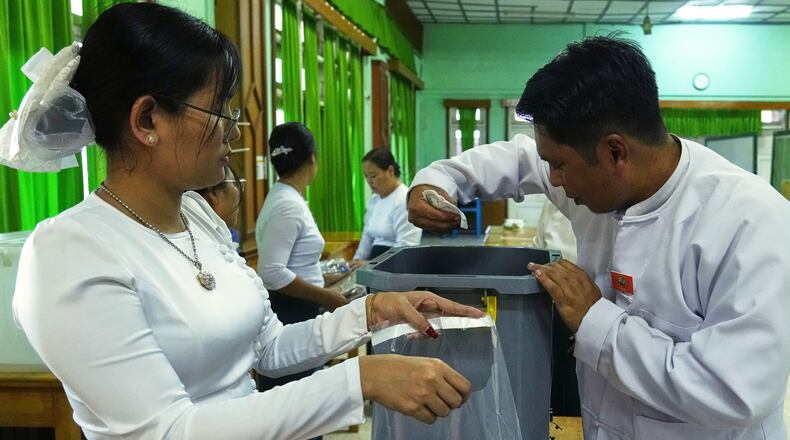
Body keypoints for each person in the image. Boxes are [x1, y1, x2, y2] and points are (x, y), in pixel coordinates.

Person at [10, 4, 485, 439]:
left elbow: (268, 350)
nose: (234, 129)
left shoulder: (197, 216)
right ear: (148, 120)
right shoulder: (71, 251)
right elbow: (167, 431)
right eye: (219, 109)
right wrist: (356, 381)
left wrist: (370, 312)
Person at [407, 36, 790, 439]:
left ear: (615, 153)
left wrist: (595, 321)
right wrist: (438, 181)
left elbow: (734, 392)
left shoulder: (749, 222)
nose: (551, 180)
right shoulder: (594, 180)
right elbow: (517, 158)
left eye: (559, 166)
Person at [353, 148, 421, 262]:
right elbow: (367, 236)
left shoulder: (404, 199)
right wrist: (357, 259)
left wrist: (370, 264)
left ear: (390, 171)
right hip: (372, 263)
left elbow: (406, 245)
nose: (369, 181)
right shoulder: (374, 200)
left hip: (395, 264)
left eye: (373, 176)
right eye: (366, 176)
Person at [196, 164, 244, 245]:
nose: (241, 191)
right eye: (235, 183)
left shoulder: (228, 235)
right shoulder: (203, 246)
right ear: (213, 193)